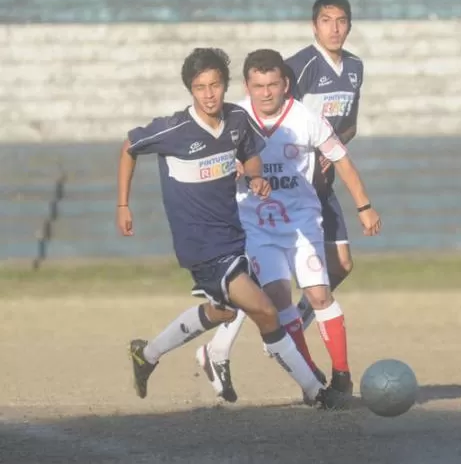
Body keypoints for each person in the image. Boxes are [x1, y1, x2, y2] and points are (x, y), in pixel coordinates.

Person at [119, 47, 330, 409]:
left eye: (215, 85)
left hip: (234, 236)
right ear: (190, 90)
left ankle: (148, 354)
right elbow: (129, 147)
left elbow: (250, 152)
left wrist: (256, 175)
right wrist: (123, 204)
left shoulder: (236, 120)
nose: (209, 93)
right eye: (200, 87)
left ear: (225, 86)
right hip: (200, 245)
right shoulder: (174, 129)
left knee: (224, 312)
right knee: (264, 310)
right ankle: (315, 390)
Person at [194, 49, 381, 406]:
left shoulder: (306, 119)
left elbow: (342, 160)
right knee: (278, 298)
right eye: (258, 85)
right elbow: (205, 168)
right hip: (255, 227)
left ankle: (342, 373)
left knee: (319, 295)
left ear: (286, 84)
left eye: (273, 85)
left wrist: (365, 206)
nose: (265, 93)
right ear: (247, 86)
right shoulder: (230, 120)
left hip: (301, 223)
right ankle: (309, 376)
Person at [286, 0, 364, 397]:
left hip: (325, 185)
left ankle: (296, 322)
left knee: (343, 265)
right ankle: (222, 350)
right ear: (314, 26)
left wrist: (333, 146)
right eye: (327, 20)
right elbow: (278, 123)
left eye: (342, 21)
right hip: (294, 187)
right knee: (273, 280)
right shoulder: (298, 67)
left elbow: (349, 124)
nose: (335, 28)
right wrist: (312, 150)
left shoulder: (354, 68)